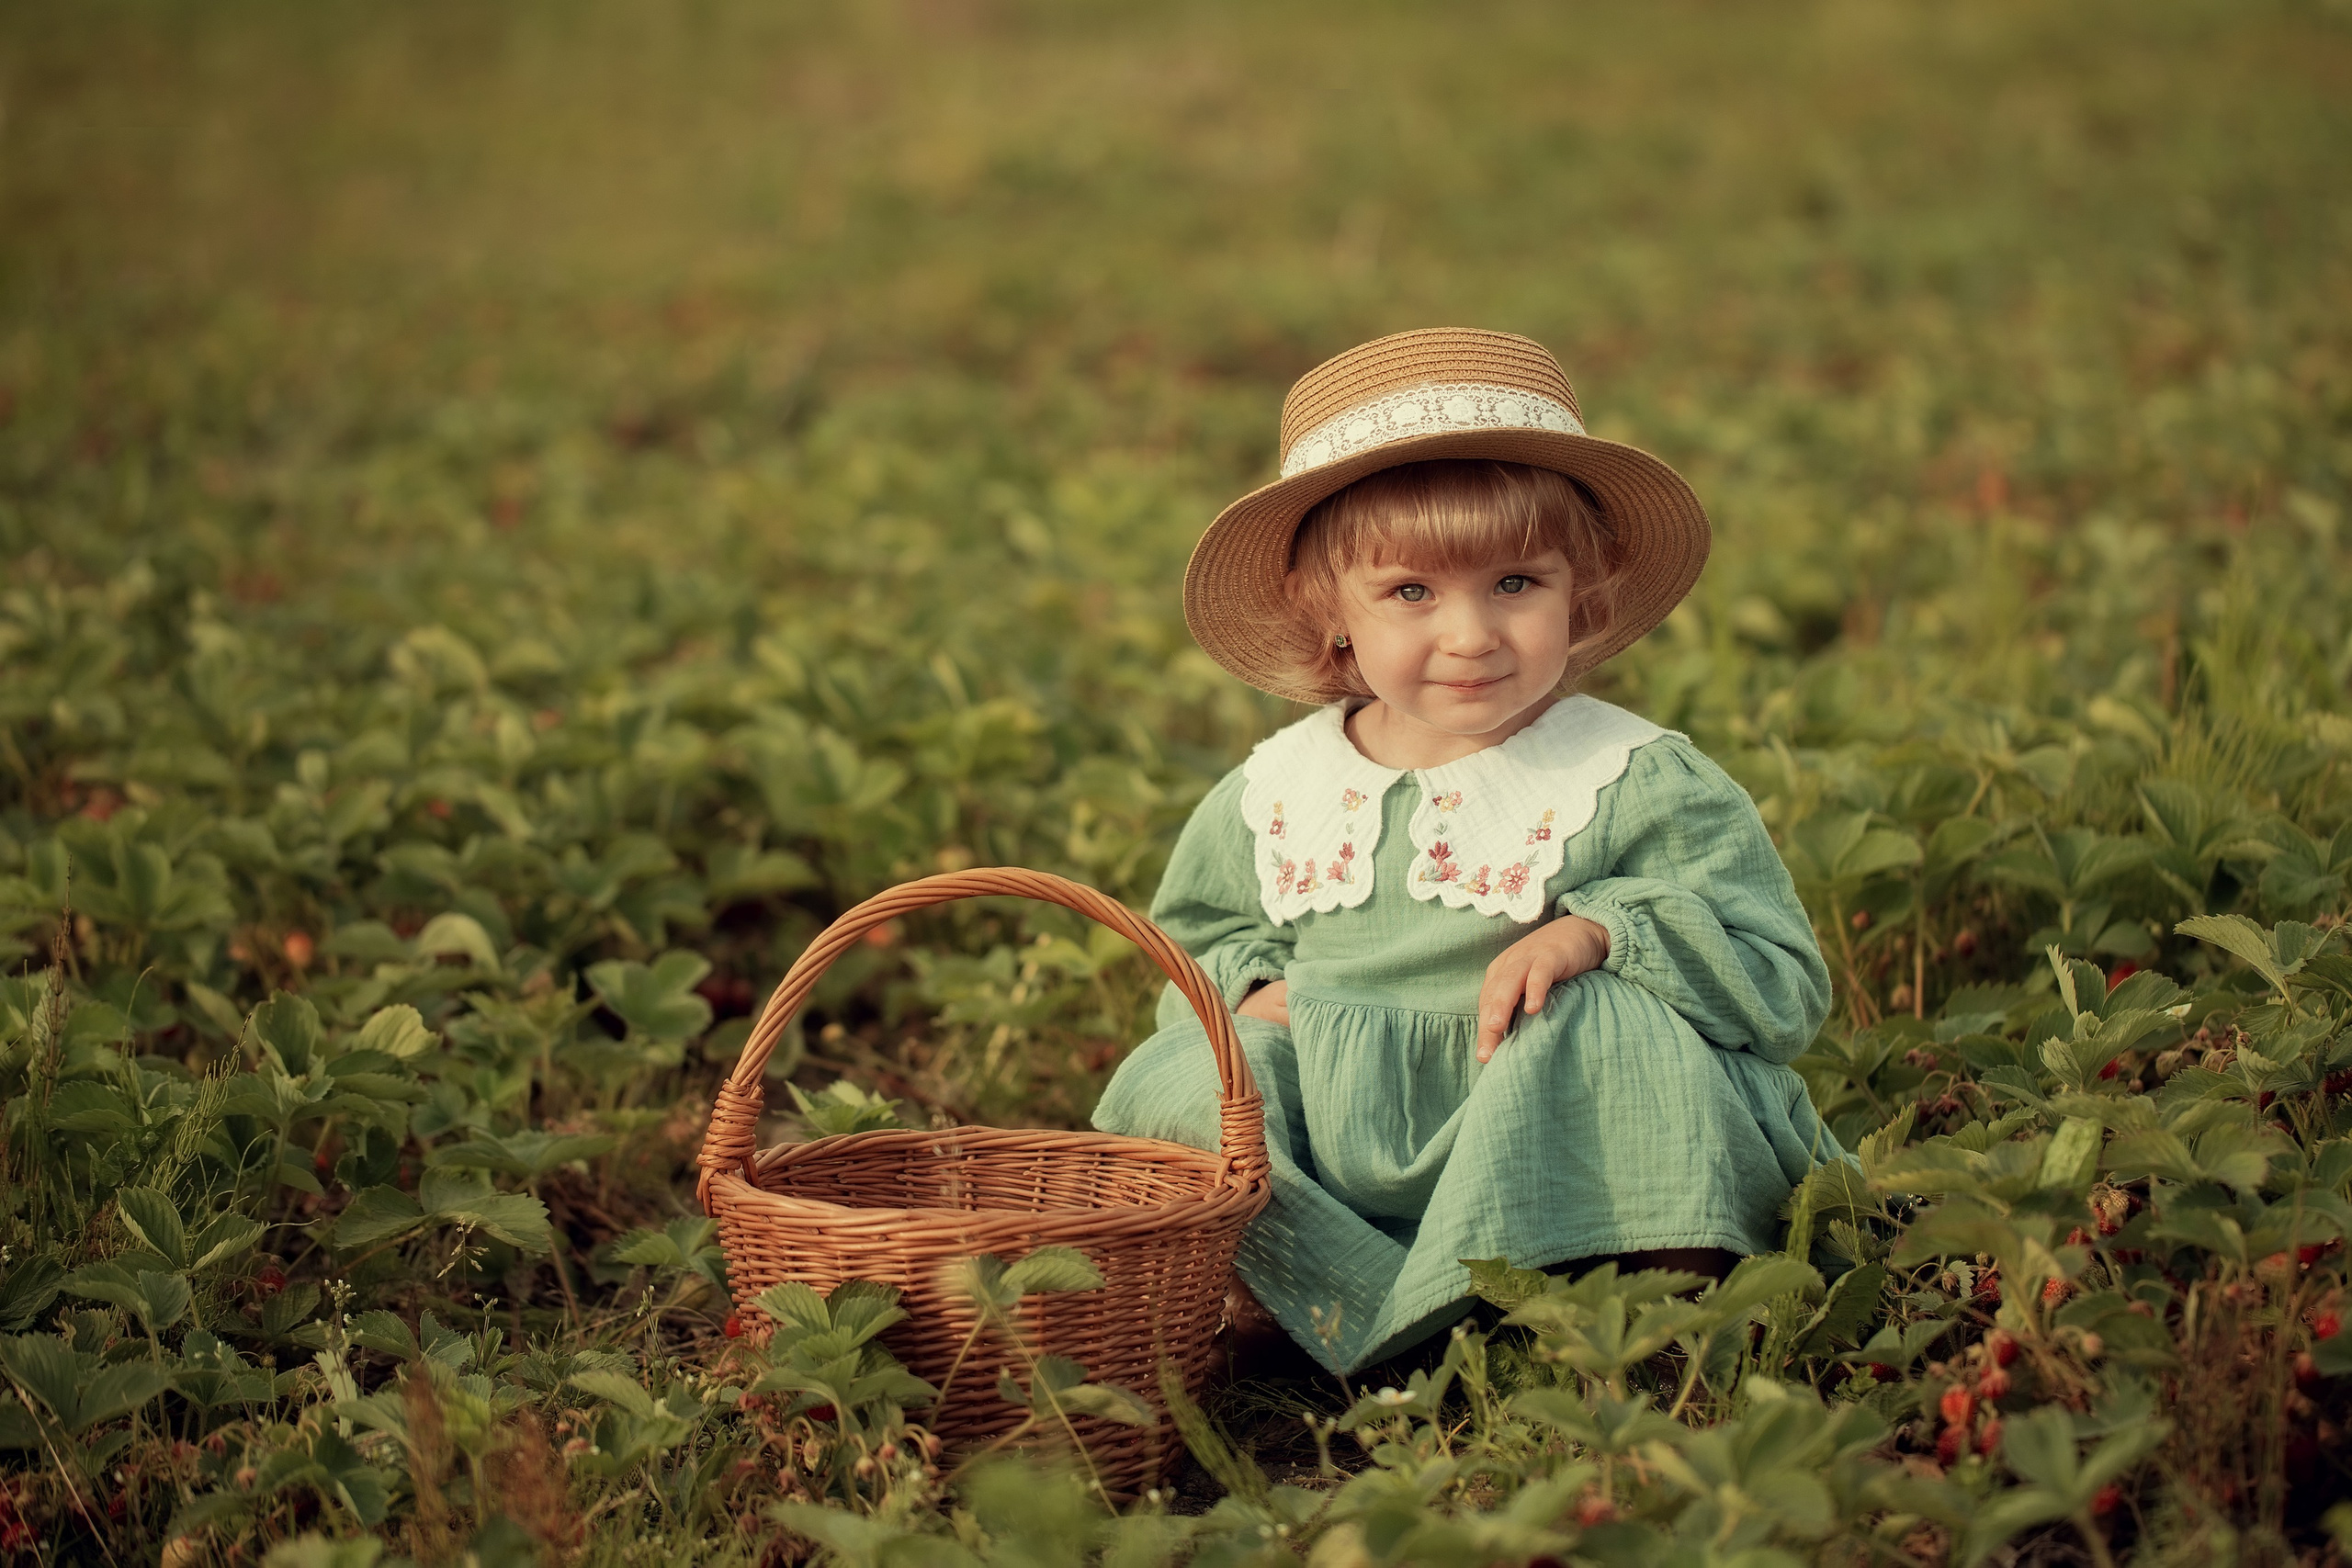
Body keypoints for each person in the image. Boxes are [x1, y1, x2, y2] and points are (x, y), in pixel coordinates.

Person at [1091, 328, 1841, 1374]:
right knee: (1182, 1075)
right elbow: (1193, 943)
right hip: (1343, 1123)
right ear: (1331, 614)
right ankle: (1320, 1293)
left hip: (1546, 1124)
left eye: (1515, 584)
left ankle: (1636, 1279)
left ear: (1581, 587)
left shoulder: (1631, 774)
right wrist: (1248, 987)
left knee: (1616, 1021)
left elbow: (1778, 982)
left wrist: (1597, 932)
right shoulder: (1277, 789)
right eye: (1410, 593)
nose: (1471, 634)